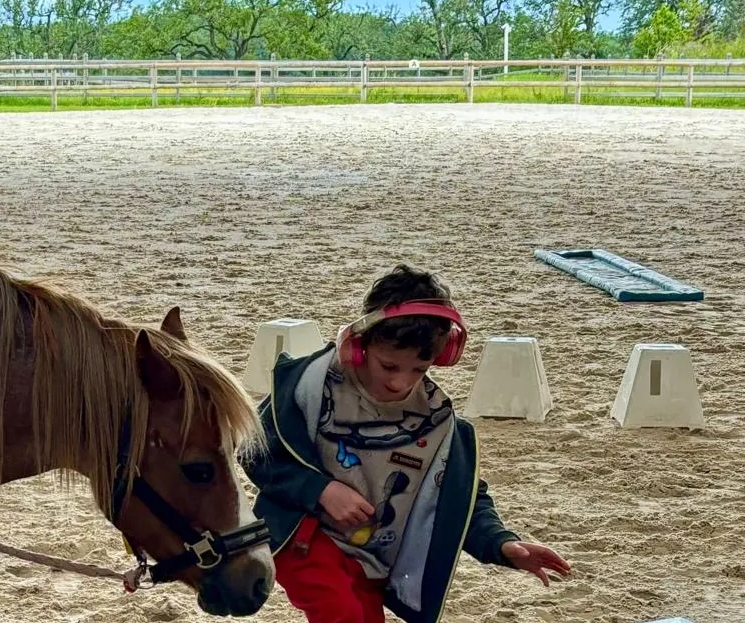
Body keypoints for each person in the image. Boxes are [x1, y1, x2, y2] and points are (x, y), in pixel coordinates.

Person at [242, 265, 570, 623]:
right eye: (389, 366)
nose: (401, 382)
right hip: (305, 537)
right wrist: (320, 490)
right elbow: (253, 451)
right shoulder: (308, 387)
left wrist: (502, 544)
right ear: (359, 344)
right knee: (342, 614)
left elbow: (460, 496)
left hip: (374, 558)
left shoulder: (436, 420)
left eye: (419, 368)